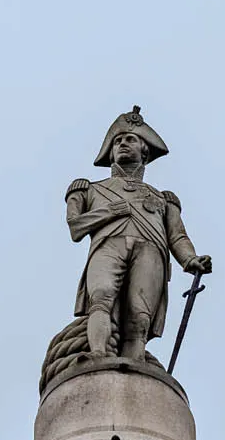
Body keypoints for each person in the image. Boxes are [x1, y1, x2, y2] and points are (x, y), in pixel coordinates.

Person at [65, 107, 212, 363]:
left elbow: (177, 236)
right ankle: (98, 355)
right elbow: (76, 227)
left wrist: (190, 260)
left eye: (130, 139)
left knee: (140, 316)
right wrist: (109, 212)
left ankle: (135, 366)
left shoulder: (163, 199)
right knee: (101, 297)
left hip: (151, 249)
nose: (123, 144)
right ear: (110, 153)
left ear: (144, 151)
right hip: (108, 245)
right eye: (118, 141)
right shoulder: (89, 189)